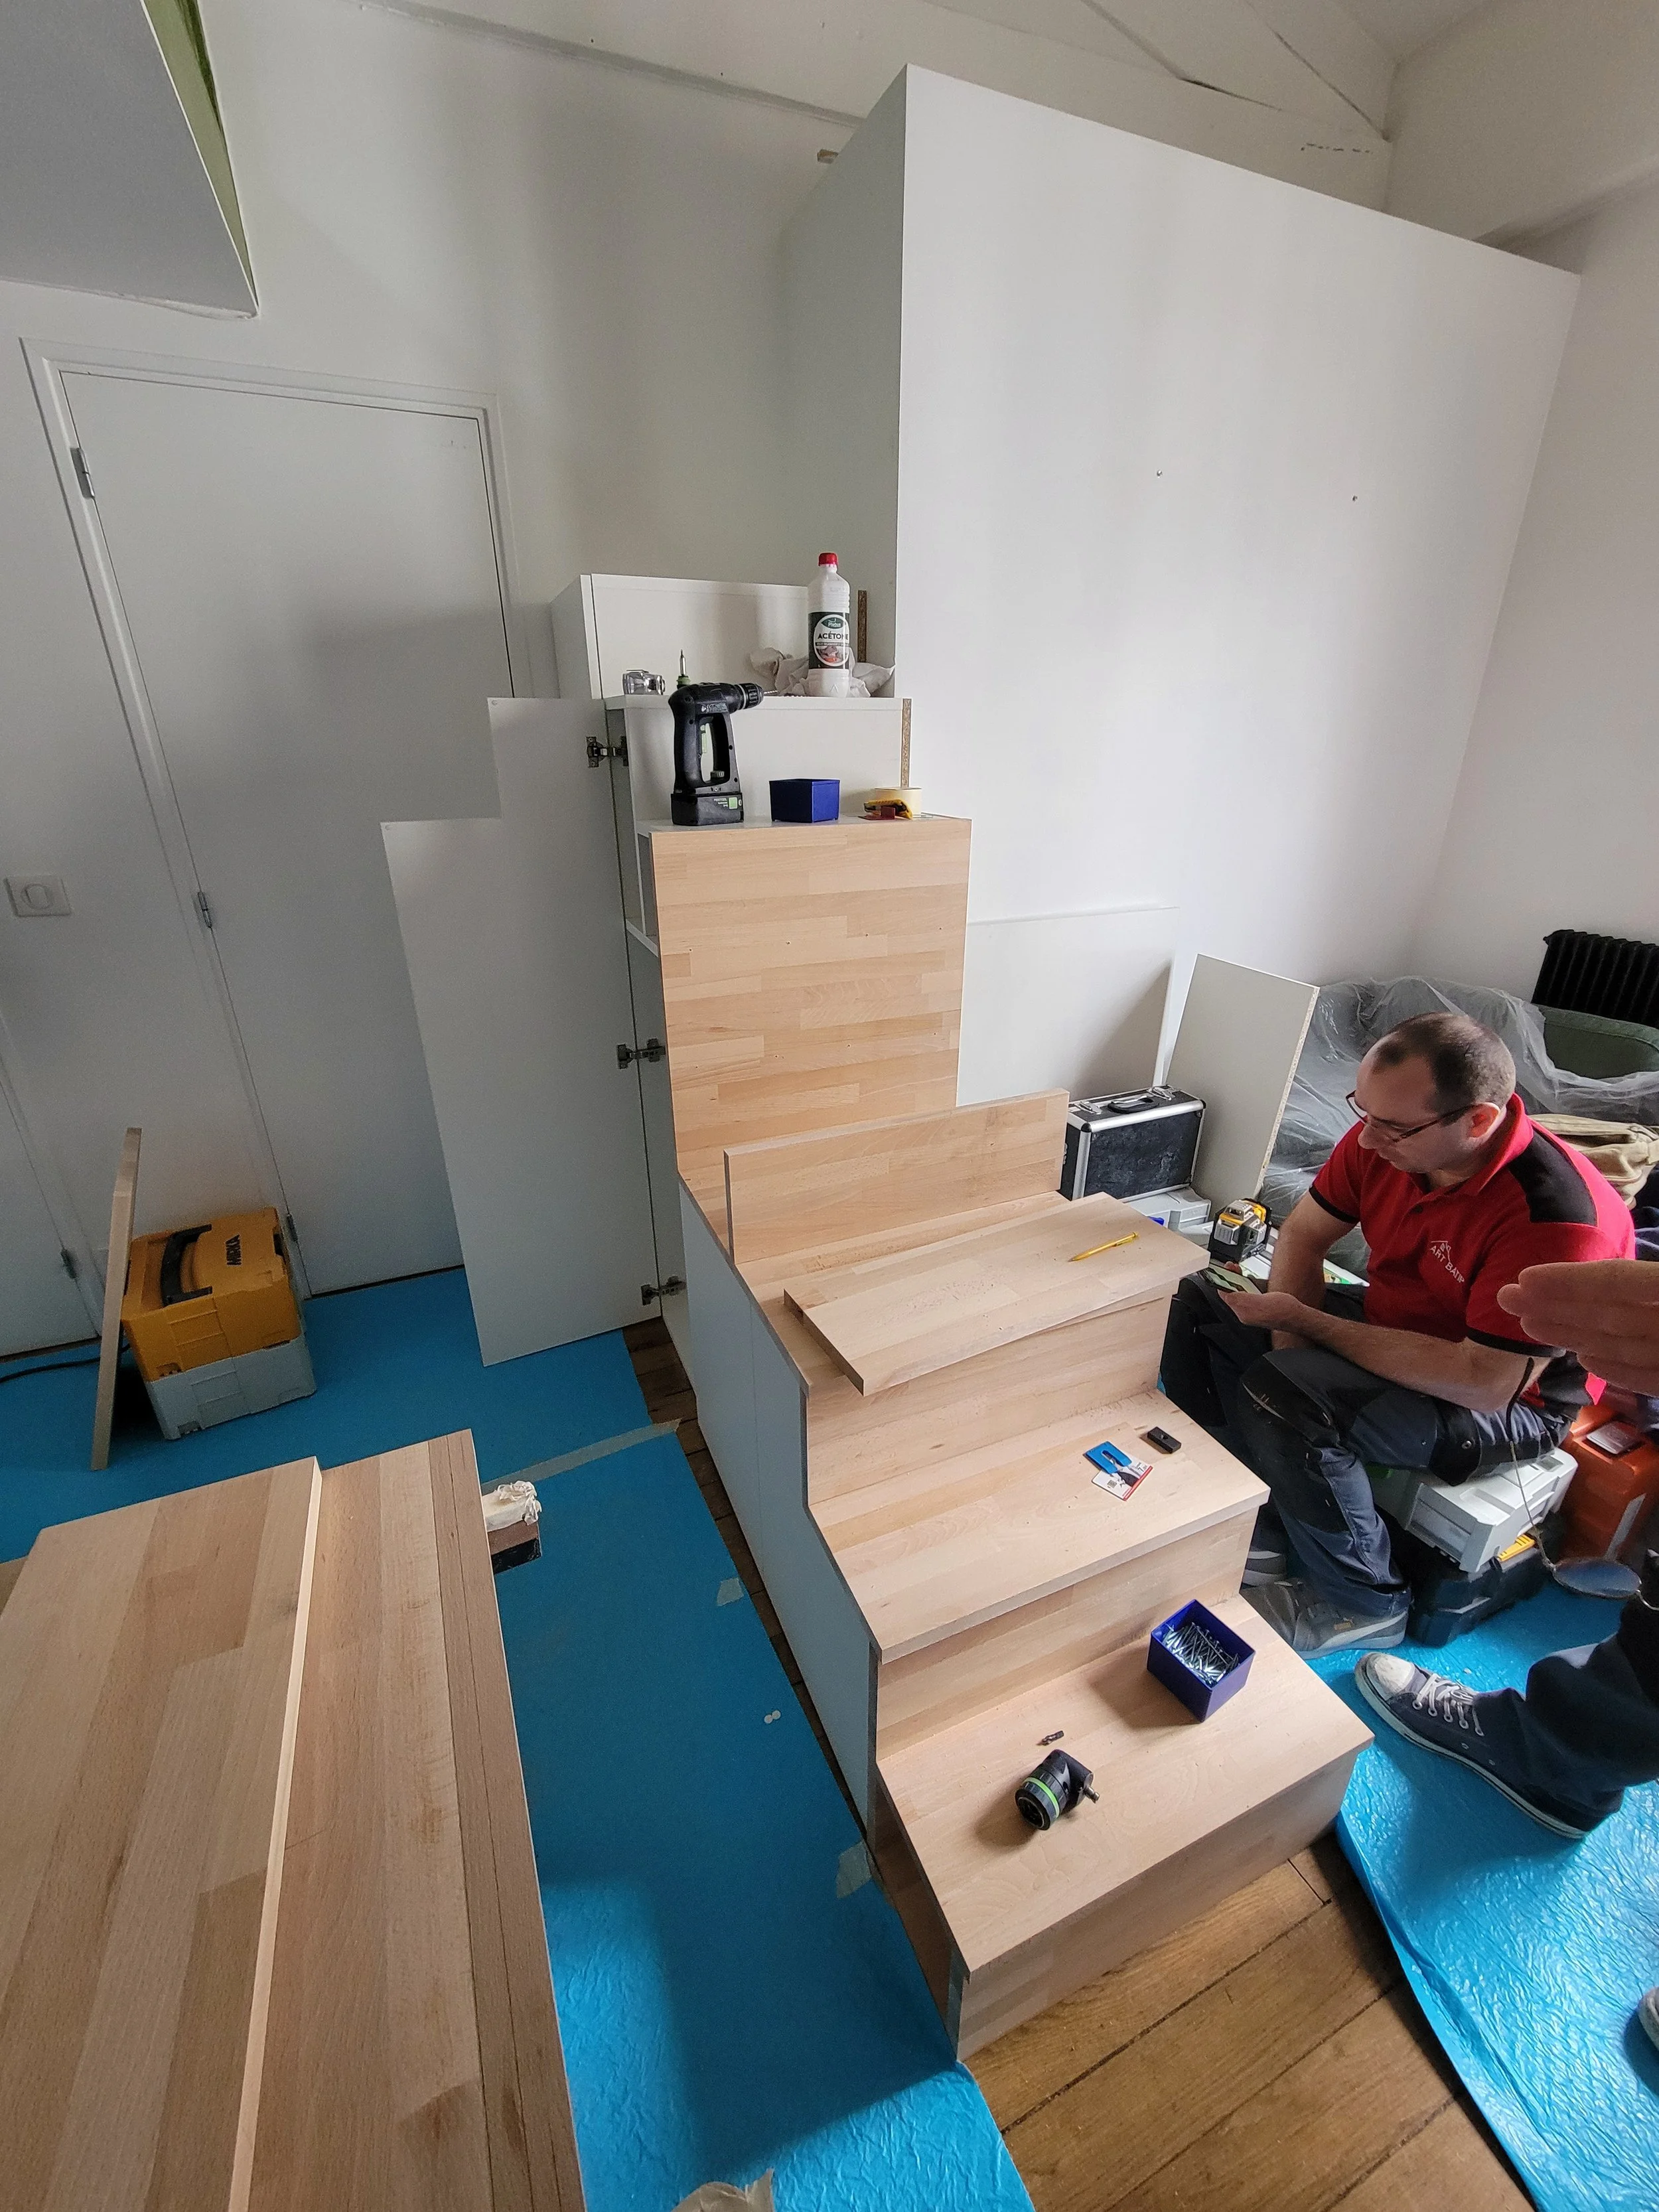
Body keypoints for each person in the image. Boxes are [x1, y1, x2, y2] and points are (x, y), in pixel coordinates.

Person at [1160, 1011, 1634, 1657]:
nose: (1366, 1138)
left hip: (1511, 1400)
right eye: (1362, 1112)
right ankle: (1260, 1515)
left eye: (1392, 1127)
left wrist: (1300, 1345)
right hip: (1401, 1324)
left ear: (1477, 1122)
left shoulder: (1553, 1220)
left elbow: (1484, 1382)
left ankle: (1364, 1602)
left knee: (1285, 1390)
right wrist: (1291, 1356)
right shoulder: (1381, 1142)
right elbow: (1302, 1235)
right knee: (1195, 1303)